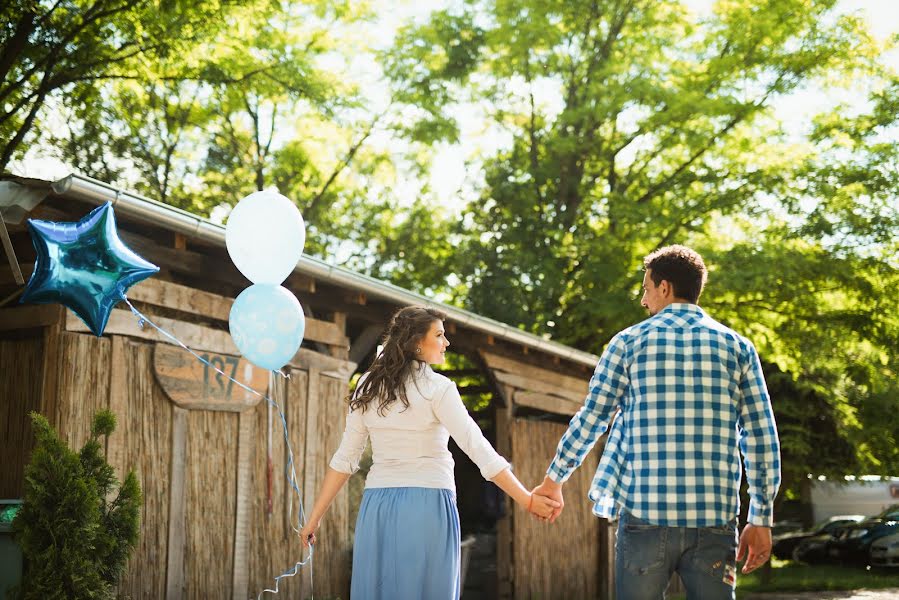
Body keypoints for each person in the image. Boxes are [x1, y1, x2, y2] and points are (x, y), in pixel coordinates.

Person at [533, 245, 781, 600]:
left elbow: (593, 418)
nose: (643, 300)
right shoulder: (737, 347)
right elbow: (760, 436)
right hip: (714, 521)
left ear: (665, 288)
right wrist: (761, 517)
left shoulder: (627, 344)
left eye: (646, 289)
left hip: (644, 516)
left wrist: (553, 479)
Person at [299, 305, 559, 600]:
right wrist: (526, 499)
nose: (446, 342)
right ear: (416, 343)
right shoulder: (439, 388)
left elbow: (344, 460)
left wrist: (314, 518)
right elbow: (479, 449)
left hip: (377, 507)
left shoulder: (367, 388)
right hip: (427, 504)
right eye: (439, 335)